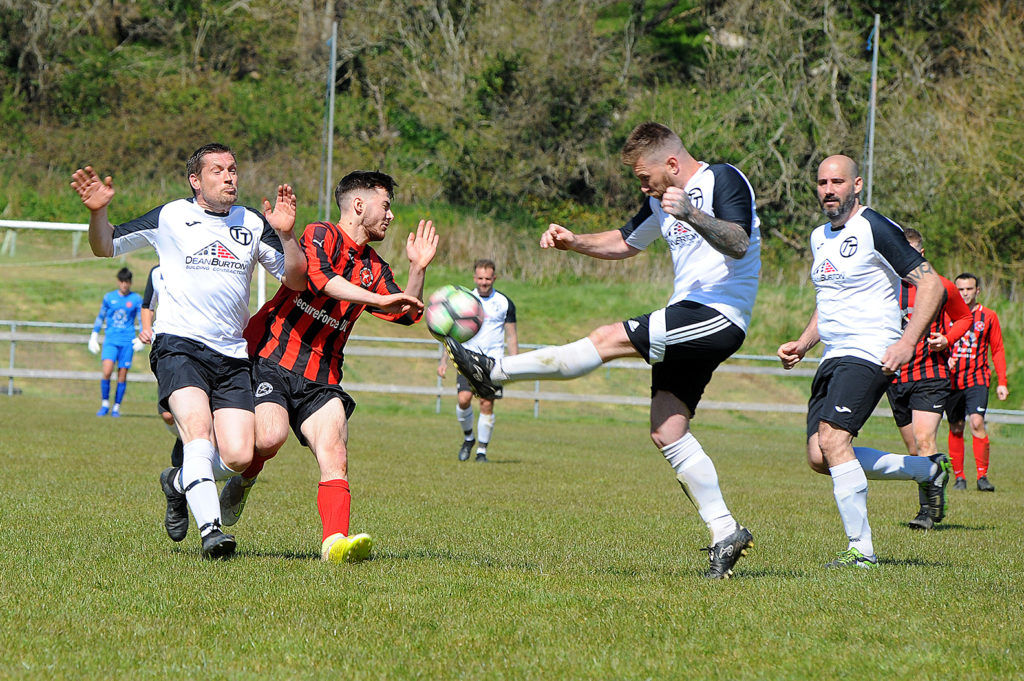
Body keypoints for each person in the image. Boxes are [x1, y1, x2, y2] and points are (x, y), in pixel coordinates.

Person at [444, 121, 760, 579]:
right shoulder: (659, 200)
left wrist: (692, 214)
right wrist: (575, 242)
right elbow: (624, 242)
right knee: (667, 430)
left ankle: (495, 371)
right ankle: (725, 531)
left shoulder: (722, 180)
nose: (641, 184)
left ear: (672, 163)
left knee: (608, 337)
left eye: (643, 175)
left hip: (719, 313)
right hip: (687, 313)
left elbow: (738, 241)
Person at [70, 142, 306, 560]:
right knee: (197, 432)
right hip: (179, 346)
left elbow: (296, 280)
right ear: (195, 180)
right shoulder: (171, 217)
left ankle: (177, 482)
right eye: (218, 170)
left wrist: (287, 235)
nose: (230, 176)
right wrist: (97, 212)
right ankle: (211, 531)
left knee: (237, 455)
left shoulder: (251, 222)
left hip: (233, 356)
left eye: (233, 169)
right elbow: (104, 245)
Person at [218, 170, 436, 563]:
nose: (390, 215)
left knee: (335, 451)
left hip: (323, 376)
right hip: (272, 359)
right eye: (385, 205)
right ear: (358, 204)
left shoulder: (374, 267)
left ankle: (334, 543)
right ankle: (244, 477)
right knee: (268, 438)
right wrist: (377, 300)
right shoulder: (321, 234)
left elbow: (406, 313)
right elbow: (319, 280)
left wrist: (417, 269)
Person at [777, 154, 951, 569]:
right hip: (833, 353)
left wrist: (909, 341)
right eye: (822, 182)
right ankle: (925, 471)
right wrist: (804, 342)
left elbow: (931, 284)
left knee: (834, 440)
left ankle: (862, 552)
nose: (828, 189)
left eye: (838, 181)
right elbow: (830, 299)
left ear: (856, 185)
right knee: (820, 457)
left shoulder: (875, 226)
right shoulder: (821, 237)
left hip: (870, 349)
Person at [886, 229, 972, 529]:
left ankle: (927, 513)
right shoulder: (885, 286)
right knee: (915, 452)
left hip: (930, 374)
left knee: (925, 440)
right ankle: (937, 473)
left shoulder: (940, 285)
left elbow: (965, 318)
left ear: (921, 255)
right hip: (895, 377)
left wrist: (946, 340)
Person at [437, 259, 518, 462]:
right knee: (463, 400)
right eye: (480, 278)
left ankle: (482, 452)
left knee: (486, 404)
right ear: (474, 278)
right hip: (467, 358)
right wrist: (444, 360)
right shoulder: (464, 300)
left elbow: (511, 335)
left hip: (494, 362)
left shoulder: (504, 303)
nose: (484, 282)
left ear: (494, 278)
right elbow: (452, 331)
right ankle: (468, 438)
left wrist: (515, 362)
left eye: (488, 278)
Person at [946, 272, 1009, 492]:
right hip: (952, 381)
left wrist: (1002, 381)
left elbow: (998, 349)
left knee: (976, 423)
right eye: (960, 289)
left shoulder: (988, 317)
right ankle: (959, 477)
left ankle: (982, 477)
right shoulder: (946, 314)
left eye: (969, 289)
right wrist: (946, 358)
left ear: (977, 291)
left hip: (978, 378)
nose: (964, 294)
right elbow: (934, 340)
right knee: (956, 427)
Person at [140, 264, 184, 468]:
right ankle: (184, 438)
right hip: (165, 347)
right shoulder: (156, 272)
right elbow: (148, 305)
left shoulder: (190, 265)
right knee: (167, 414)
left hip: (193, 344)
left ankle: (196, 448)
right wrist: (146, 329)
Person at [88, 267, 144, 417]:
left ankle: (116, 407)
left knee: (122, 374)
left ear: (130, 283)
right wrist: (94, 334)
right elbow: (101, 316)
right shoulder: (109, 297)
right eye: (122, 282)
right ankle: (104, 404)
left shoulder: (136, 299)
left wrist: (142, 337)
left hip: (127, 341)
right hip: (111, 339)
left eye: (127, 282)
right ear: (118, 282)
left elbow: (141, 318)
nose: (124, 285)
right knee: (106, 371)